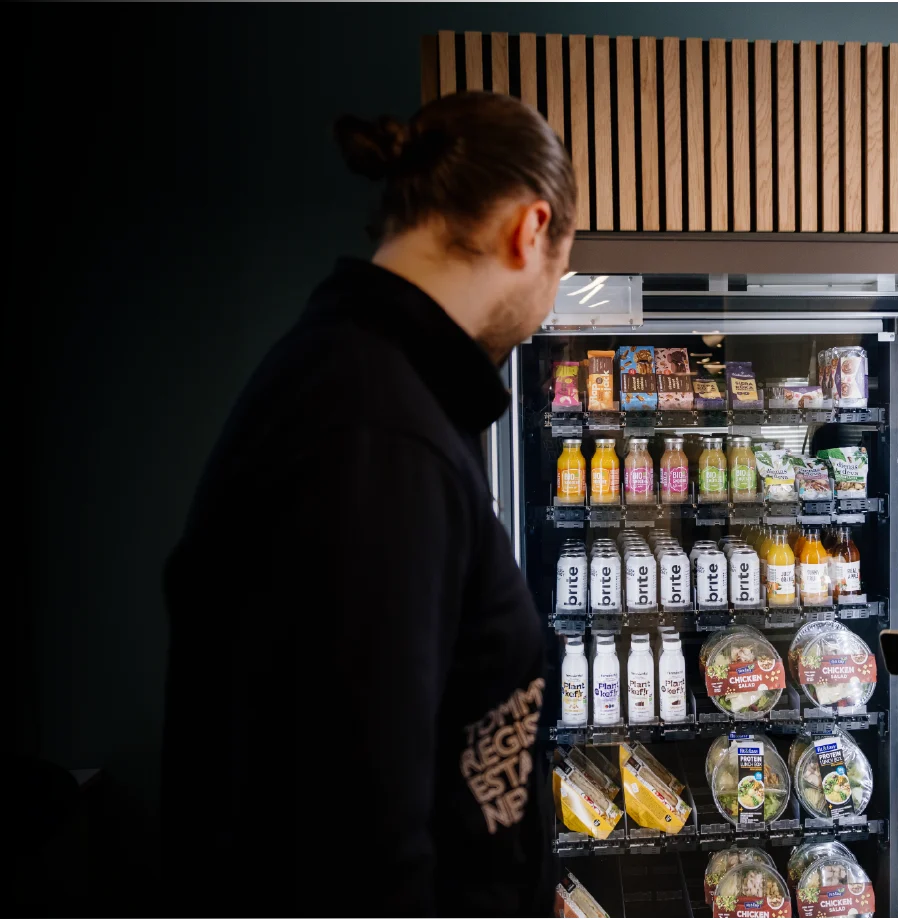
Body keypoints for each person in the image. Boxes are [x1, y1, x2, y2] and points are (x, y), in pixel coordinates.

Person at [161, 91, 575, 916]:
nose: (549, 307)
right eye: (562, 271)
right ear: (528, 231)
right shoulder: (377, 436)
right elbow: (352, 846)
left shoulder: (367, 385)